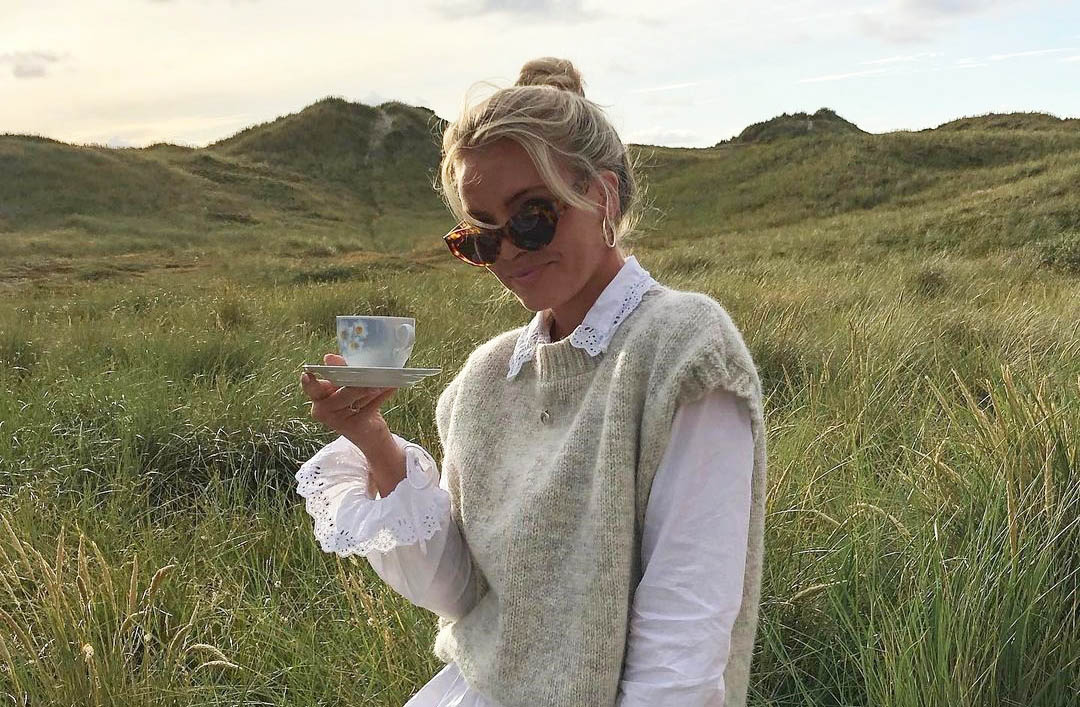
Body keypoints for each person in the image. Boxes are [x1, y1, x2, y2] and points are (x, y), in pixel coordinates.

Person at [295, 57, 767, 707]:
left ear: (601, 197)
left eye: (531, 217)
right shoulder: (486, 379)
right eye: (483, 236)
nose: (510, 252)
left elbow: (685, 639)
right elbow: (459, 591)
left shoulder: (681, 349)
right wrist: (373, 441)